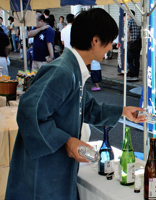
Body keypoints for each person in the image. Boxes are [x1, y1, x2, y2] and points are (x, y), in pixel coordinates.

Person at [5, 8, 146, 200]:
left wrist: (122, 111)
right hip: (45, 169)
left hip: (56, 164)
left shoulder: (73, 69)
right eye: (111, 40)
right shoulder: (62, 71)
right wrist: (67, 141)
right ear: (95, 40)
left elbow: (87, 107)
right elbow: (29, 112)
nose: (113, 45)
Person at [127, 10, 141, 82]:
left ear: (129, 15)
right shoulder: (138, 21)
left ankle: (132, 75)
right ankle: (136, 75)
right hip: (138, 44)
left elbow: (127, 30)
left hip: (131, 43)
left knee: (129, 60)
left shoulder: (130, 21)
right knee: (136, 60)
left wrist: (128, 39)